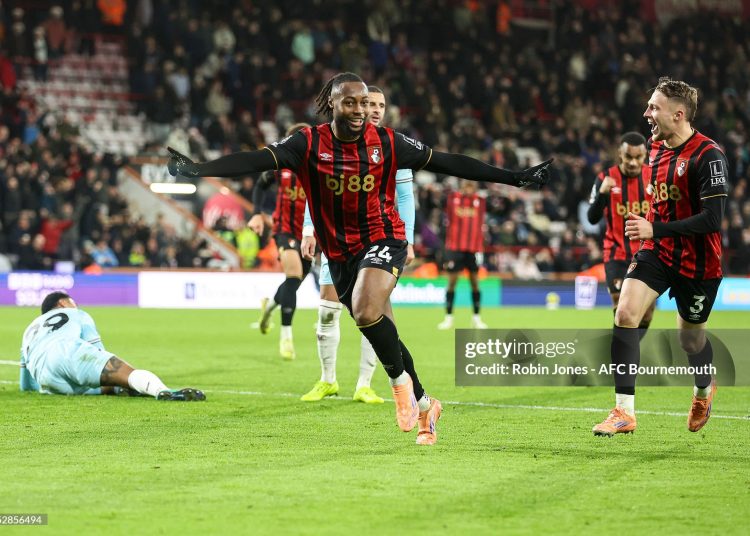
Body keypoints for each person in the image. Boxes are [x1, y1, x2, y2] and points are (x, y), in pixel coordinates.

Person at [167, 72, 552, 445]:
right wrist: (200, 169)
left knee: (367, 311)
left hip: (385, 237)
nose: (358, 109)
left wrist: (513, 177)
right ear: (331, 103)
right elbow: (255, 161)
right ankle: (425, 405)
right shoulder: (307, 144)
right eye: (349, 102)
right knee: (382, 327)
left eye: (364, 103)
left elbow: (449, 162)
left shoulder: (386, 141)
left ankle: (400, 388)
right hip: (341, 252)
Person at [592, 77, 728, 437]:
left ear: (678, 114)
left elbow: (713, 220)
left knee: (691, 341)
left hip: (699, 264)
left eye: (654, 107)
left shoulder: (708, 155)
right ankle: (624, 412)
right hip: (658, 252)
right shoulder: (656, 149)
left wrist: (656, 228)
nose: (646, 113)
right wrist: (654, 232)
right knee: (625, 313)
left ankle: (703, 388)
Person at [298, 85, 416, 405]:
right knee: (327, 309)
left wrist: (409, 239)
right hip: (336, 242)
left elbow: (405, 198)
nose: (374, 110)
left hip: (377, 240)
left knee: (370, 312)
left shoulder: (392, 147)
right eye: (370, 103)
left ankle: (366, 383)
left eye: (380, 105)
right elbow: (316, 191)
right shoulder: (329, 143)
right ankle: (327, 379)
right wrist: (309, 229)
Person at [20, 292, 205, 400]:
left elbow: (26, 385)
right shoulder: (76, 314)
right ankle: (164, 392)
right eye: (72, 302)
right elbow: (99, 352)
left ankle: (121, 389)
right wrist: (109, 368)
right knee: (121, 372)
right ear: (62, 303)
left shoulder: (29, 330)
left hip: (48, 380)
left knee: (96, 387)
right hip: (67, 351)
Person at [249, 123, 313, 360]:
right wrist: (257, 212)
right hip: (284, 229)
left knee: (292, 284)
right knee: (294, 275)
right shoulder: (281, 167)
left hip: (309, 234)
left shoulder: (319, 168)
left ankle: (270, 307)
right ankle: (286, 337)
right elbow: (260, 185)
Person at [587, 132, 655, 330]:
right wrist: (601, 195)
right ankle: (621, 356)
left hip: (648, 254)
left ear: (645, 156)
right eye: (628, 157)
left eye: (638, 157)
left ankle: (629, 349)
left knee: (646, 314)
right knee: (621, 308)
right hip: (616, 253)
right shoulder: (605, 178)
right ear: (620, 154)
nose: (633, 162)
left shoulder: (653, 177)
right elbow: (592, 218)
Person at [437, 179, 489, 329]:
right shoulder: (453, 199)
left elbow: (501, 206)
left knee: (474, 283)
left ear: (475, 188)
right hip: (455, 248)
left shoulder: (480, 201)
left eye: (471, 186)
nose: (468, 188)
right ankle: (448, 317)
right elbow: (437, 201)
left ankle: (477, 317)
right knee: (452, 282)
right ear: (461, 187)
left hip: (473, 249)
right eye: (466, 185)